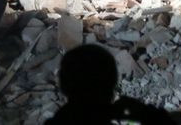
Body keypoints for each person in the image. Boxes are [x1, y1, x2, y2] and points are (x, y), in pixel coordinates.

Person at [43, 44, 173, 124]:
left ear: (64, 86)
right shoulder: (124, 117)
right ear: (111, 84)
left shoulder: (58, 121)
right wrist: (146, 113)